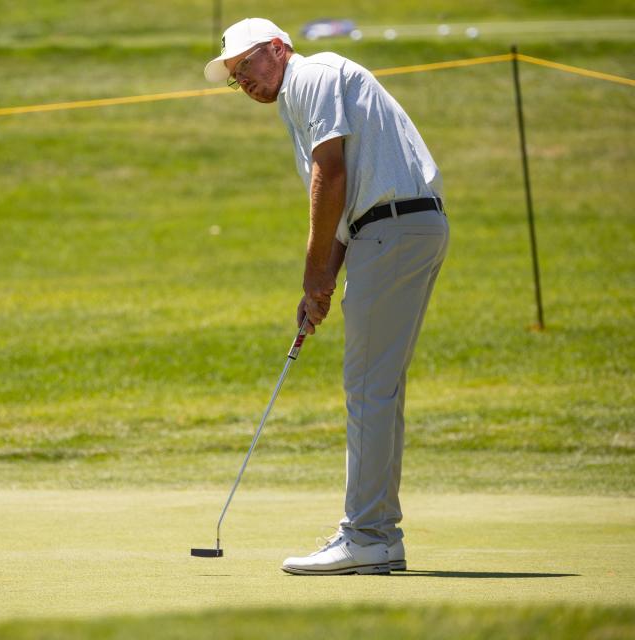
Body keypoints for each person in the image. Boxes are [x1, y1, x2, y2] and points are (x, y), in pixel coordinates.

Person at [204, 18, 449, 575]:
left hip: (394, 227)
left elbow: (330, 176)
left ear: (277, 48)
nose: (244, 82)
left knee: (368, 388)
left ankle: (365, 535)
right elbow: (342, 206)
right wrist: (322, 286)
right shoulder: (299, 101)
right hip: (394, 228)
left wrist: (314, 276)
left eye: (247, 67)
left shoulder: (314, 76)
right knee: (378, 388)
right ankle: (378, 535)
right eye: (234, 78)